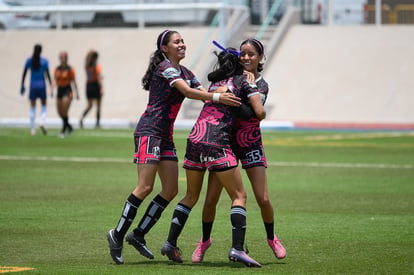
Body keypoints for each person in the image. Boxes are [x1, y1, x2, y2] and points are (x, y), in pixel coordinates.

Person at [106, 30, 241, 265]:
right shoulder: (165, 68)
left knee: (170, 190)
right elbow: (190, 93)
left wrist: (226, 84)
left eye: (183, 41)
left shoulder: (186, 72)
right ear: (165, 49)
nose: (182, 44)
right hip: (149, 131)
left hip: (165, 136)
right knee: (145, 187)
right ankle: (116, 234)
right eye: (176, 42)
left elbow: (201, 91)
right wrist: (217, 97)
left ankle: (138, 234)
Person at [160, 43, 266, 267]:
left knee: (190, 196)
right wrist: (251, 85)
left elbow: (211, 76)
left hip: (194, 139)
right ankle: (237, 249)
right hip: (216, 141)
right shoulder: (243, 82)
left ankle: (170, 242)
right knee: (239, 196)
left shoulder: (215, 82)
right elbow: (257, 113)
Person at [191, 39, 286, 264]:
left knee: (262, 198)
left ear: (260, 57)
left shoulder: (261, 84)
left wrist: (241, 88)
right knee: (210, 200)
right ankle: (204, 241)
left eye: (251, 54)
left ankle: (271, 237)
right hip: (225, 144)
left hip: (251, 143)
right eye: (242, 54)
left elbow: (253, 113)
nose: (245, 58)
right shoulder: (231, 78)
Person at [20, 44, 52, 135]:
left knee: (32, 107)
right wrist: (51, 86)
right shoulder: (44, 61)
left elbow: (24, 73)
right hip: (42, 85)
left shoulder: (29, 60)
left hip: (33, 86)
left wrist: (22, 85)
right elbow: (48, 75)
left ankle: (33, 129)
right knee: (44, 105)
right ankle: (42, 122)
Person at [51, 51, 79, 138]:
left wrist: (77, 93)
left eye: (64, 57)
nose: (62, 59)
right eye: (61, 57)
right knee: (60, 112)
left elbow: (74, 81)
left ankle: (63, 130)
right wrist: (51, 89)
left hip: (67, 90)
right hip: (59, 90)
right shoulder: (57, 69)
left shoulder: (70, 69)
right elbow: (55, 80)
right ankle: (69, 127)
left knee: (64, 110)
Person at [80, 50, 103, 128]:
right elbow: (98, 77)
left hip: (88, 86)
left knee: (89, 105)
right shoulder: (96, 66)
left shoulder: (87, 65)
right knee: (98, 106)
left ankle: (82, 118)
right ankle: (97, 123)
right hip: (95, 86)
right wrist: (101, 88)